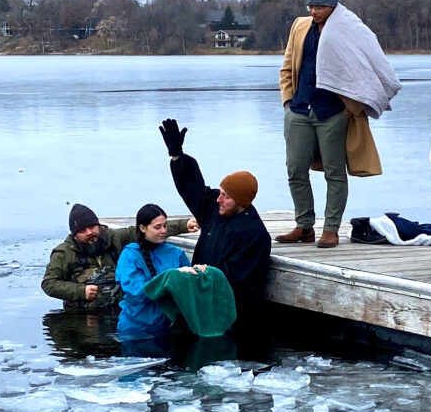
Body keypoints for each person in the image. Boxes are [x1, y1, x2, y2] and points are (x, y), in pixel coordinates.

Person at [275, 0, 400, 249]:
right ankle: (304, 225)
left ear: (333, 4)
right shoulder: (300, 26)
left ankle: (330, 228)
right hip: (299, 110)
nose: (314, 11)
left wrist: (350, 110)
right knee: (295, 169)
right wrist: (287, 102)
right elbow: (287, 67)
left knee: (335, 172)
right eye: (311, 5)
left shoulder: (349, 30)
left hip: (332, 113)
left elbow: (365, 71)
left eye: (320, 6)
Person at [159, 118, 271, 317]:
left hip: (229, 313)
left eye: (226, 196)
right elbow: (194, 189)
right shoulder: (215, 209)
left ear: (241, 201)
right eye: (220, 193)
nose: (218, 199)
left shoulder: (255, 235)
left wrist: (202, 274)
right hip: (200, 302)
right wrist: (177, 156)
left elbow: (237, 278)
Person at [41, 202, 195, 310]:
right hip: (82, 315)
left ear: (98, 225)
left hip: (117, 309)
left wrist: (183, 225)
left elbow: (147, 231)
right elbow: (49, 283)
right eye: (82, 231)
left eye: (92, 227)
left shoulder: (115, 238)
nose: (89, 233)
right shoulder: (64, 253)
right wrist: (81, 291)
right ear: (74, 235)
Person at [114, 203, 204, 342]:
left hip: (169, 328)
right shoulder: (129, 255)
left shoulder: (176, 254)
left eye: (165, 226)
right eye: (157, 227)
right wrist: (172, 276)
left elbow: (190, 293)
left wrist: (200, 273)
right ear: (143, 228)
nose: (163, 231)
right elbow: (137, 292)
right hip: (135, 331)